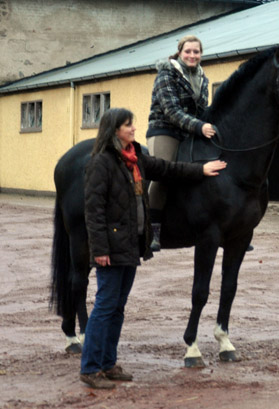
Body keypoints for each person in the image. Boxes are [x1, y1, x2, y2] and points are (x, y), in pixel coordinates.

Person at [81, 108, 226, 389]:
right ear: (114, 131)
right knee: (105, 306)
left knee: (117, 308)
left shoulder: (135, 159)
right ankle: (90, 368)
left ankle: (108, 364)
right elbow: (94, 210)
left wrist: (201, 169)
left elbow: (168, 169)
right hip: (110, 248)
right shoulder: (102, 163)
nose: (134, 129)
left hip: (130, 246)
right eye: (128, 125)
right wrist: (99, 249)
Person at [146, 34, 215, 251]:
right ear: (180, 52)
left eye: (196, 52)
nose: (192, 55)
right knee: (163, 174)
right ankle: (152, 230)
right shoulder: (166, 74)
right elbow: (171, 111)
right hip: (165, 130)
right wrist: (199, 126)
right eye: (188, 51)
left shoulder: (203, 78)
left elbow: (203, 110)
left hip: (191, 132)